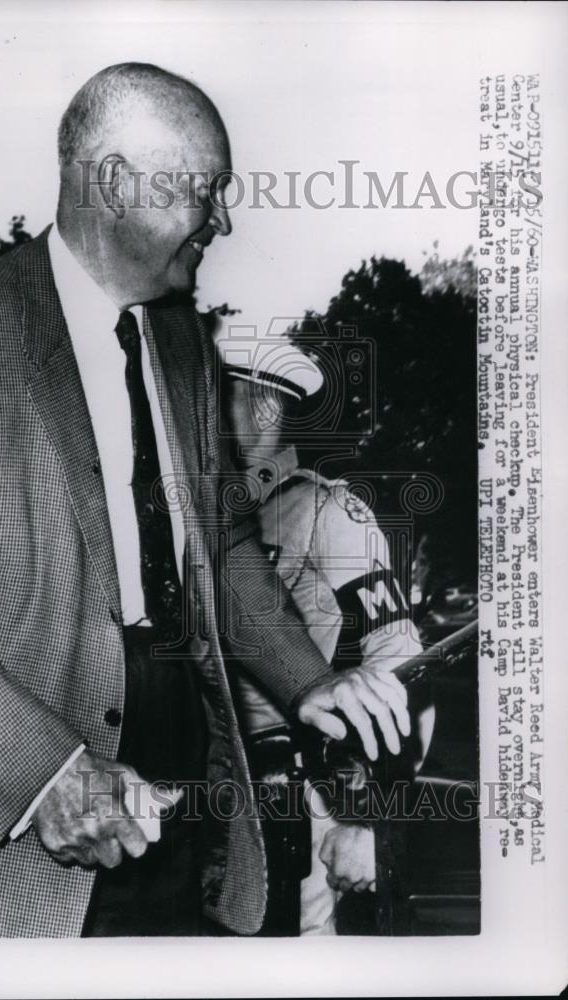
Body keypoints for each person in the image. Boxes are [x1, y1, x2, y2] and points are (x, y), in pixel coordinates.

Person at [0, 62, 409, 939]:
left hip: (174, 789)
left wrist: (310, 682)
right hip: (0, 824)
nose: (224, 219)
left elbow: (224, 545)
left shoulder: (178, 344)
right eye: (205, 192)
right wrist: (45, 773)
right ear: (114, 183)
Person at [218, 329, 432, 934]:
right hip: (207, 795)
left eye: (216, 395)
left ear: (262, 406)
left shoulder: (325, 510)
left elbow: (403, 668)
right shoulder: (205, 519)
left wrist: (373, 826)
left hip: (296, 802)